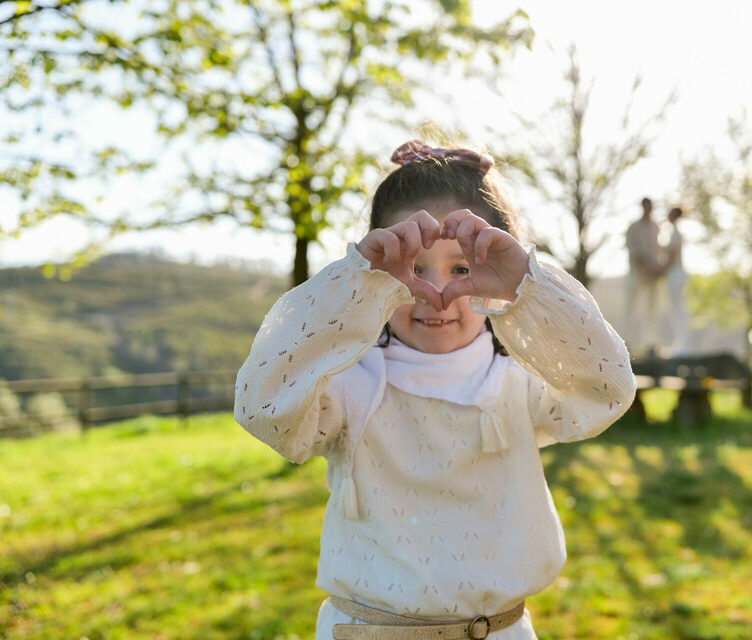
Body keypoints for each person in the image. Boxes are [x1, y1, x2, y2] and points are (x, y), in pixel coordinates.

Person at [234, 139, 637, 640]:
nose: (437, 294)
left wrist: (529, 286)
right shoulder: (348, 385)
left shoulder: (517, 383)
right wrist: (349, 285)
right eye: (412, 269)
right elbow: (261, 407)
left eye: (462, 269)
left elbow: (609, 389)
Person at [622, 197, 662, 355]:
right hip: (636, 273)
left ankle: (650, 344)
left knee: (652, 310)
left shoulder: (655, 227)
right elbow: (634, 252)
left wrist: (657, 269)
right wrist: (647, 268)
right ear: (643, 207)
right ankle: (625, 342)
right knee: (630, 308)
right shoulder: (633, 228)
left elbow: (657, 250)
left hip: (652, 275)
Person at [662, 206, 688, 355]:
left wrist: (658, 270)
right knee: (676, 308)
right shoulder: (674, 232)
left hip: (675, 274)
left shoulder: (675, 234)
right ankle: (679, 341)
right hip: (674, 274)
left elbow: (671, 259)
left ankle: (681, 343)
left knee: (678, 308)